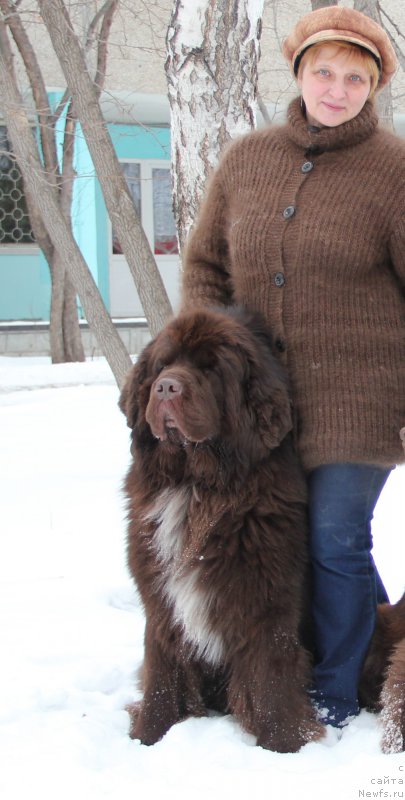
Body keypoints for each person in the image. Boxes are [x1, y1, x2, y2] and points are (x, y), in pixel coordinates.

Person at [180, 6, 405, 730]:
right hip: (258, 407)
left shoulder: (392, 171)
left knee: (336, 534)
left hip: (361, 401)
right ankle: (380, 648)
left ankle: (334, 693)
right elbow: (206, 266)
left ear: (372, 87)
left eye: (352, 78)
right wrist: (207, 366)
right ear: (298, 73)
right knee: (291, 538)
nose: (335, 90)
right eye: (322, 73)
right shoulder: (247, 159)